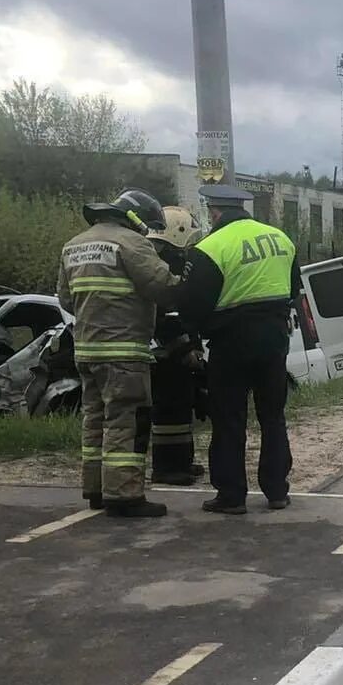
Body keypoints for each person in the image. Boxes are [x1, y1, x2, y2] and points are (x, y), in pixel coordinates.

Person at [56, 189, 181, 517]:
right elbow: (164, 288)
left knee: (94, 419)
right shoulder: (132, 243)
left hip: (86, 351)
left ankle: (96, 488)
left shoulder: (75, 244)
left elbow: (66, 300)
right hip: (124, 352)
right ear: (137, 218)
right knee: (126, 420)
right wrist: (185, 278)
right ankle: (124, 494)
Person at [180, 184, 298, 514]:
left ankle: (232, 495)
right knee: (273, 416)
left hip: (231, 342)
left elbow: (191, 305)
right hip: (274, 340)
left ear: (214, 212)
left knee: (230, 418)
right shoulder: (280, 239)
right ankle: (277, 491)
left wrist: (192, 340)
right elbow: (294, 290)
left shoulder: (210, 247)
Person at [148, 206, 207, 485]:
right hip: (165, 352)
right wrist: (185, 347)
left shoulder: (160, 257)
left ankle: (182, 460)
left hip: (172, 348)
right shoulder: (164, 261)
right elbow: (168, 313)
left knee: (182, 407)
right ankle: (167, 468)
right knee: (169, 410)